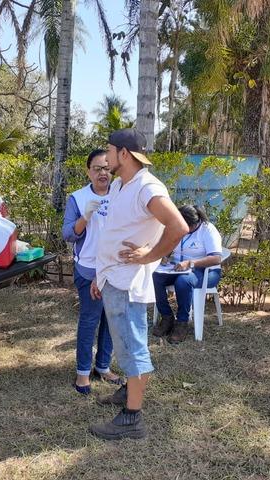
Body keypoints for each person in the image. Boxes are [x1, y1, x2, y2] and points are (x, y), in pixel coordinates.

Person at [88, 128, 190, 440]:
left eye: (110, 151)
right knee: (124, 343)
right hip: (112, 277)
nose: (105, 159)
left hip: (127, 282)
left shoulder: (147, 187)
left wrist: (150, 256)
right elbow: (115, 230)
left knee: (132, 346)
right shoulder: (121, 185)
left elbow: (178, 226)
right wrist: (99, 275)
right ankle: (127, 392)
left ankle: (132, 418)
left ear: (124, 154)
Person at [62, 149, 122, 395]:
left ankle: (104, 366)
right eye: (97, 168)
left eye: (107, 168)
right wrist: (85, 216)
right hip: (88, 270)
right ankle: (83, 372)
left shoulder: (120, 194)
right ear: (88, 171)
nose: (103, 173)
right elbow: (68, 234)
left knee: (110, 320)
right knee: (90, 320)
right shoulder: (77, 198)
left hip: (115, 270)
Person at [151, 205, 223, 343]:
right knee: (156, 277)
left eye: (186, 227)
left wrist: (191, 263)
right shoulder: (176, 226)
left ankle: (182, 323)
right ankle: (166, 317)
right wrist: (164, 255)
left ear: (195, 224)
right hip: (177, 268)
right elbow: (167, 246)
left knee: (183, 281)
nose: (182, 230)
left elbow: (216, 258)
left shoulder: (207, 230)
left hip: (206, 271)